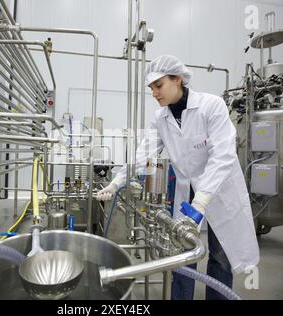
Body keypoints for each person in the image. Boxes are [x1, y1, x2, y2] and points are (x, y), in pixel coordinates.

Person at [96, 55, 259, 300]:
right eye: (151, 88)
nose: (154, 93)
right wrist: (116, 182)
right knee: (183, 252)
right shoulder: (160, 118)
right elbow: (143, 154)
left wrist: (202, 201)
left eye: (158, 85)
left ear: (178, 79)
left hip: (219, 190)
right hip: (187, 193)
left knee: (220, 255)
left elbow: (223, 155)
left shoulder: (211, 106)